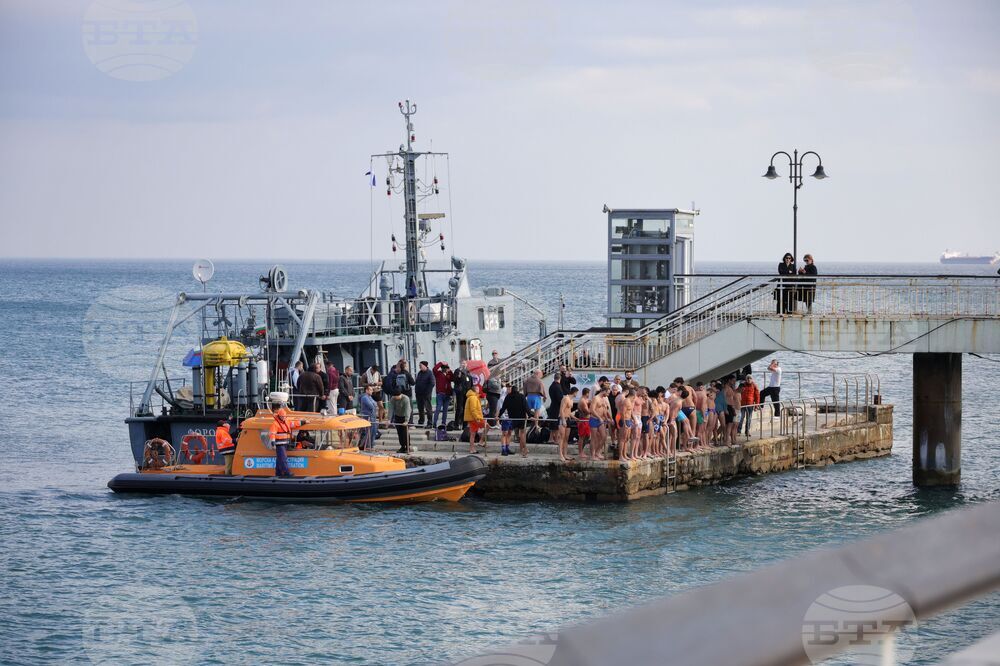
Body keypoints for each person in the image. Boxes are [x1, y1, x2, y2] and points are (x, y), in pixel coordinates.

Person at [499, 384, 530, 457]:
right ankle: (523, 450)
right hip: (521, 418)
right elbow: (526, 407)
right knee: (522, 434)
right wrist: (530, 415)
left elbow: (503, 408)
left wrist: (498, 416)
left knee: (507, 434)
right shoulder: (521, 396)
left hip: (512, 419)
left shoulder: (508, 397)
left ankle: (508, 449)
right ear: (518, 390)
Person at [270, 408, 294, 477]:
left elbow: (294, 424)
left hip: (285, 443)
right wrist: (273, 441)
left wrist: (303, 422)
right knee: (283, 459)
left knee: (279, 459)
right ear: (279, 416)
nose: (283, 418)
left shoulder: (287, 421)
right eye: (282, 416)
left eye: (284, 417)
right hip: (279, 444)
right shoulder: (275, 424)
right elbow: (272, 433)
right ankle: (287, 472)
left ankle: (278, 473)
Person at [557, 387, 578, 462]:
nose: (577, 394)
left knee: (566, 438)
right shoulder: (565, 398)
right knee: (561, 438)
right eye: (577, 392)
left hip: (568, 419)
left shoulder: (571, 400)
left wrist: (575, 418)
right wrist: (563, 420)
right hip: (563, 419)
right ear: (574, 392)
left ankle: (565, 454)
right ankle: (560, 455)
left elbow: (568, 411)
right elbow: (561, 410)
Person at [464, 384, 486, 453]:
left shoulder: (471, 397)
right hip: (476, 418)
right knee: (487, 426)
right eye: (478, 389)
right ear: (475, 390)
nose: (479, 390)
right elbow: (473, 409)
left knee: (473, 434)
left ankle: (472, 449)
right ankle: (481, 441)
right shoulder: (473, 397)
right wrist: (477, 417)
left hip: (471, 418)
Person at [451, 361, 472, 430]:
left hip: (467, 393)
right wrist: (459, 375)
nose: (464, 365)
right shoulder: (457, 371)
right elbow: (455, 380)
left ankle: (465, 425)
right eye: (462, 363)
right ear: (460, 364)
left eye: (465, 363)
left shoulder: (468, 372)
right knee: (459, 408)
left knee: (466, 409)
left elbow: (470, 382)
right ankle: (457, 424)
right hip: (460, 392)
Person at [432, 361, 453, 429]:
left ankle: (443, 423)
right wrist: (441, 363)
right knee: (438, 409)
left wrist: (449, 371)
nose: (446, 369)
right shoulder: (438, 373)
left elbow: (453, 378)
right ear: (442, 368)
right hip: (440, 394)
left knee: (445, 410)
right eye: (445, 368)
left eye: (447, 368)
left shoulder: (448, 375)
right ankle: (434, 423)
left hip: (447, 395)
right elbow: (434, 369)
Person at [739, 374, 760, 439]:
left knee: (749, 418)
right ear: (746, 379)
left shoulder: (754, 386)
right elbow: (738, 391)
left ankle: (747, 431)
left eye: (750, 378)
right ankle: (738, 431)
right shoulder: (742, 385)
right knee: (741, 417)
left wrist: (756, 405)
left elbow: (757, 396)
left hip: (750, 404)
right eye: (747, 378)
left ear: (752, 379)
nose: (748, 379)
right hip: (742, 404)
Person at [414, 361, 435, 428]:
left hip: (426, 394)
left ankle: (430, 423)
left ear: (425, 365)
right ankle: (421, 422)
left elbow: (432, 383)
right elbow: (417, 382)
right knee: (420, 409)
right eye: (419, 365)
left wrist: (427, 391)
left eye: (421, 365)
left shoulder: (429, 373)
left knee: (428, 408)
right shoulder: (420, 373)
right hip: (419, 394)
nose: (419, 366)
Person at [359, 384, 379, 450]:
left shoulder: (370, 397)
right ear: (366, 390)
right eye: (370, 390)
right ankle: (367, 446)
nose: (372, 391)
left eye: (372, 390)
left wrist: (374, 405)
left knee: (373, 431)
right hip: (367, 417)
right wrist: (374, 405)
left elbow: (375, 404)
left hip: (373, 417)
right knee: (368, 432)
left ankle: (371, 445)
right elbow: (371, 406)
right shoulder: (364, 397)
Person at [576, 387, 592, 460]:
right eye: (589, 393)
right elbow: (587, 412)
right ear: (587, 393)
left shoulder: (585, 400)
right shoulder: (582, 401)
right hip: (583, 420)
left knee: (587, 436)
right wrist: (593, 408)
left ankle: (581, 451)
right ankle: (580, 452)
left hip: (586, 420)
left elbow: (589, 401)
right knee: (582, 437)